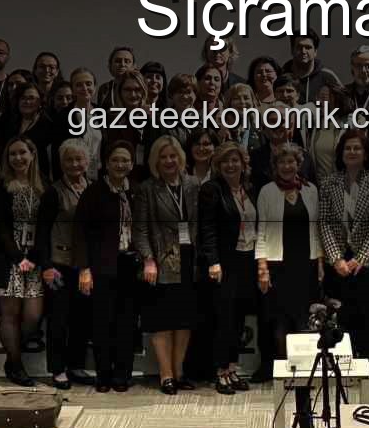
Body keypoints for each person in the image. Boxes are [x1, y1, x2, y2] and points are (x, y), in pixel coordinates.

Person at [134, 135, 202, 394]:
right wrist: (148, 259)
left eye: (173, 156)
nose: (169, 161)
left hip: (189, 259)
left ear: (180, 158)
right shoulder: (148, 189)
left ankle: (179, 371)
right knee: (163, 320)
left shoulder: (193, 184)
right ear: (155, 161)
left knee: (184, 320)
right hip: (161, 261)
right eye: (163, 157)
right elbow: (140, 229)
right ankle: (166, 375)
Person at [319, 129, 369, 363]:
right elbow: (324, 223)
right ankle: (345, 363)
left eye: (357, 148)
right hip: (340, 259)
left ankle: (365, 364)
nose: (352, 152)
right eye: (348, 148)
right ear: (341, 153)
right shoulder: (328, 183)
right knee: (344, 313)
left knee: (367, 312)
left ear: (365, 153)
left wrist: (362, 257)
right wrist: (336, 258)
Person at [77, 141, 139, 393]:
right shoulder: (93, 193)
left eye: (125, 160)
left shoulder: (136, 190)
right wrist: (84, 268)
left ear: (132, 164)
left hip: (130, 264)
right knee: (102, 323)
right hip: (102, 266)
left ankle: (122, 375)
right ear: (106, 163)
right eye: (115, 160)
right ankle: (103, 375)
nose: (120, 165)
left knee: (126, 323)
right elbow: (81, 234)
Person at [0, 136, 45, 386]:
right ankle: (16, 365)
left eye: (22, 153)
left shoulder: (44, 187)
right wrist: (18, 258)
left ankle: (12, 359)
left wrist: (33, 258)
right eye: (12, 154)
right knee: (10, 314)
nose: (18, 158)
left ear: (32, 155)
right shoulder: (0, 186)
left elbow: (47, 227)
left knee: (32, 316)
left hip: (35, 260)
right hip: (8, 258)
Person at [35, 138, 93, 390]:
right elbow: (41, 232)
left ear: (87, 161)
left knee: (81, 317)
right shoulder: (53, 192)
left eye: (79, 159)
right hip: (58, 265)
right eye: (69, 160)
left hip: (85, 266)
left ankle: (76, 365)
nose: (74, 164)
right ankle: (58, 370)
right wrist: (46, 265)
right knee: (59, 318)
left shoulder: (93, 188)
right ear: (61, 163)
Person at [256, 142, 322, 363]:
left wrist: (320, 262)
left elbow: (316, 230)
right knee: (280, 322)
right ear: (275, 166)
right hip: (278, 266)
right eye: (282, 162)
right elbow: (261, 232)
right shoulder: (267, 191)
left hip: (306, 265)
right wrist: (262, 268)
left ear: (298, 164)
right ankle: (283, 369)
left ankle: (304, 368)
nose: (287, 166)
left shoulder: (310, 190)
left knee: (305, 320)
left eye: (291, 161)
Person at [199, 141, 256, 395]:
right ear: (218, 165)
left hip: (247, 259)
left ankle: (232, 368)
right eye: (225, 161)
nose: (231, 165)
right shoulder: (212, 190)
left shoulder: (249, 189)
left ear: (243, 164)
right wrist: (213, 261)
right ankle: (220, 372)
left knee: (239, 318)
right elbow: (207, 228)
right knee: (224, 319)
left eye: (235, 160)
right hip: (224, 262)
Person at [1, 82, 61, 180]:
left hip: (39, 179)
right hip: (12, 178)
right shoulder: (9, 124)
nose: (27, 102)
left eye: (32, 98)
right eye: (23, 98)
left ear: (40, 102)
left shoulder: (49, 126)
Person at [284, 32, 341, 102]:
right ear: (292, 50)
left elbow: (344, 103)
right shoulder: (281, 75)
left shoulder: (327, 77)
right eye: (299, 47)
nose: (303, 51)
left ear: (315, 52)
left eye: (308, 47)